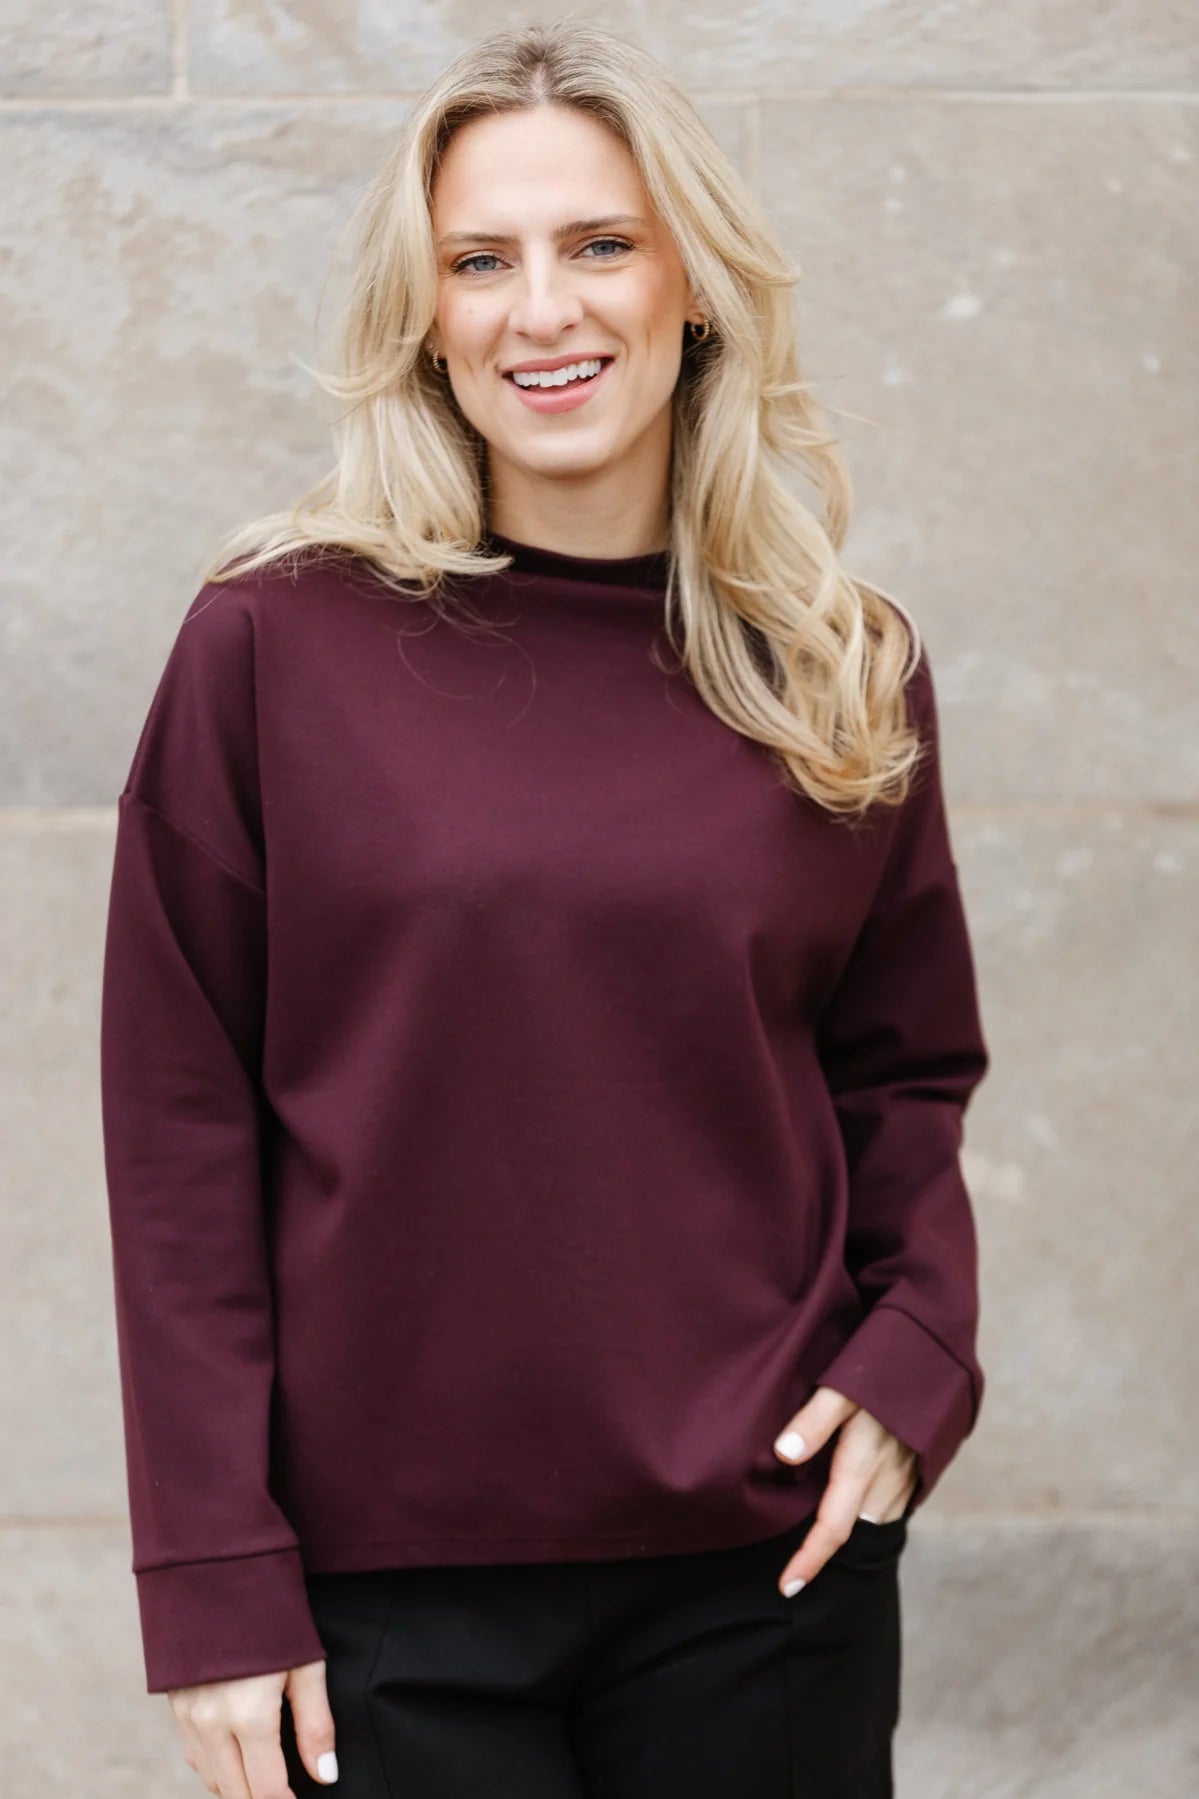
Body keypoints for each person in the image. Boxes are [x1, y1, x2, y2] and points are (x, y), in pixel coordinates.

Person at [98, 17, 990, 1799]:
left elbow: (904, 1074)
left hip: (764, 1573)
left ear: (696, 283)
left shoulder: (835, 664)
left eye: (600, 244)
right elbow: (180, 1126)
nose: (544, 311)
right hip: (384, 1612)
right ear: (425, 317)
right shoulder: (273, 646)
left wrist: (917, 1357)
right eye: (481, 262)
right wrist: (213, 1578)